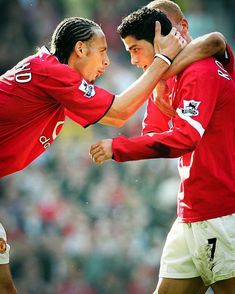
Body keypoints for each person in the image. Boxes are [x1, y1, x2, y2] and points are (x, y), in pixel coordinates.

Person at [0, 15, 186, 294]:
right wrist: (163, 60)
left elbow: (118, 111)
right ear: (80, 49)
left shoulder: (49, 75)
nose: (107, 62)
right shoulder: (54, 73)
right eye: (102, 51)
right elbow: (119, 112)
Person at [89, 5, 235, 294]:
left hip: (222, 211)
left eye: (134, 49)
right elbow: (153, 134)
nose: (131, 60)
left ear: (160, 35)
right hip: (191, 211)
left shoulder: (201, 69)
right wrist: (159, 81)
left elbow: (185, 139)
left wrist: (117, 147)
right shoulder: (168, 79)